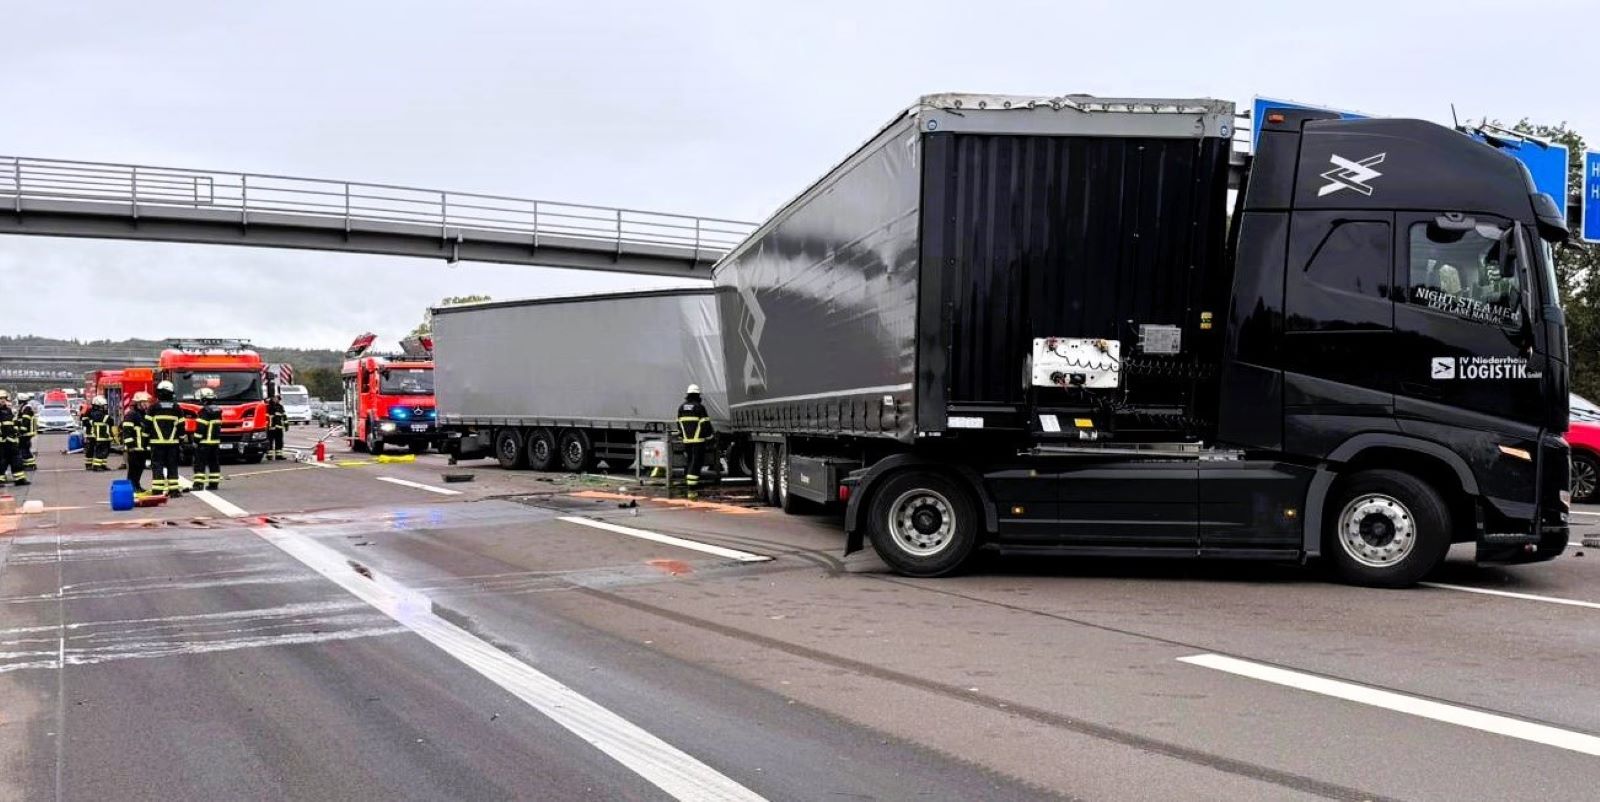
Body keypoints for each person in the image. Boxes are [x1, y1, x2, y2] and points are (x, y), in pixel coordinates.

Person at [147, 381, 186, 496]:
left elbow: (147, 426)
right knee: (172, 465)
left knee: (157, 465)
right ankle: (174, 490)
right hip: (173, 444)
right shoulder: (177, 408)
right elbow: (181, 427)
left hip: (156, 444)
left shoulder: (153, 408)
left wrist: (145, 441)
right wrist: (181, 439)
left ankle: (157, 490)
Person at [675, 384, 714, 494]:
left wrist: (682, 435)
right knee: (696, 461)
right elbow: (705, 423)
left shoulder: (681, 407)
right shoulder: (699, 407)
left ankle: (688, 480)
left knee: (689, 460)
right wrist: (710, 436)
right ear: (697, 395)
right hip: (698, 440)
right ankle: (692, 484)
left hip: (687, 440)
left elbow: (678, 423)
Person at [191, 387, 223, 491]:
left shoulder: (204, 411)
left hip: (204, 443)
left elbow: (201, 428)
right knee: (214, 463)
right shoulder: (218, 410)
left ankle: (198, 484)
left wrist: (196, 440)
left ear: (204, 399)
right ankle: (214, 484)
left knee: (199, 464)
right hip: (215, 443)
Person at [121, 392, 151, 494]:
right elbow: (127, 431)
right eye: (145, 402)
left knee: (140, 468)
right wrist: (130, 446)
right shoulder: (131, 415)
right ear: (139, 403)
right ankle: (131, 487)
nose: (147, 404)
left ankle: (137, 485)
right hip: (134, 448)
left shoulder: (143, 415)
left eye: (147, 402)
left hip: (142, 448)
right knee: (133, 469)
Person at [0, 391, 27, 486]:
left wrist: (16, 432)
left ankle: (20, 479)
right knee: (2, 462)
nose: (2, 400)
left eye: (4, 398)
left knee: (17, 461)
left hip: (12, 441)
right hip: (2, 442)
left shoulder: (8, 410)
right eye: (0, 398)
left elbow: (14, 423)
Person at [85, 396, 114, 471]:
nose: (104, 407)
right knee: (93, 450)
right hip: (93, 434)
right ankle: (91, 465)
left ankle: (102, 465)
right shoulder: (90, 412)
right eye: (103, 406)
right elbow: (85, 422)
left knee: (104, 451)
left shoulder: (102, 413)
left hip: (100, 435)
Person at [17, 393, 37, 472]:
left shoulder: (26, 408)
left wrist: (21, 431)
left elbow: (25, 421)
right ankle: (28, 464)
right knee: (25, 448)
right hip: (26, 432)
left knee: (24, 448)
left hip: (26, 432)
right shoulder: (25, 407)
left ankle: (30, 465)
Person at [266, 394, 287, 460]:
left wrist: (286, 425)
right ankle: (269, 455)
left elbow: (284, 416)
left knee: (279, 442)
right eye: (276, 398)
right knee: (270, 442)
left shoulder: (280, 407)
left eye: (278, 398)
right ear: (272, 398)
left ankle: (279, 455)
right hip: (270, 428)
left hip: (279, 428)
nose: (277, 400)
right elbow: (266, 417)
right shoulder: (268, 406)